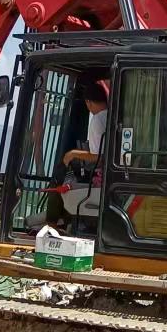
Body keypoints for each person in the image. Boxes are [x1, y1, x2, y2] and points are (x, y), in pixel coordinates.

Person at [47, 77, 108, 230]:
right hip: (108, 178)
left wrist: (73, 154)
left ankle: (52, 227)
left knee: (61, 186)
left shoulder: (97, 120)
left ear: (88, 102)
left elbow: (97, 157)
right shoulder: (112, 116)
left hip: (101, 180)